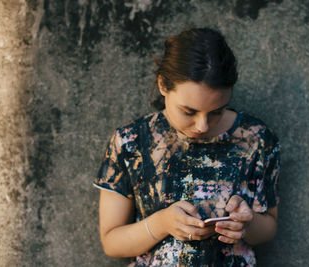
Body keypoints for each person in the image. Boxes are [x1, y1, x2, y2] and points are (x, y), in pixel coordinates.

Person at [93, 27, 280, 266]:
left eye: (216, 111)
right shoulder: (131, 140)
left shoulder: (258, 139)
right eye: (189, 111)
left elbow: (269, 228)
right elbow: (111, 242)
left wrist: (247, 223)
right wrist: (161, 224)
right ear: (163, 85)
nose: (202, 126)